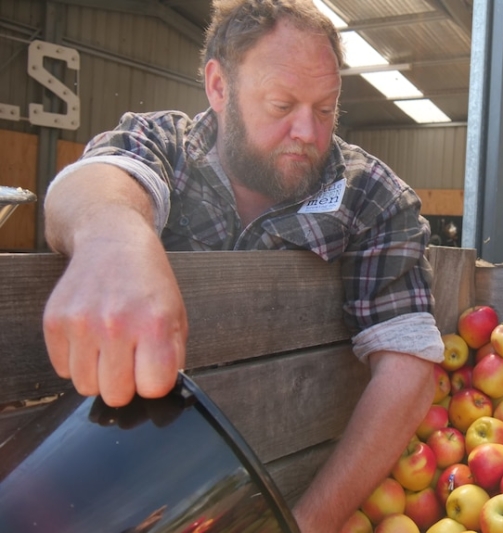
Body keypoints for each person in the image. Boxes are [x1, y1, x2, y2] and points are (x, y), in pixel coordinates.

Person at [40, 1, 444, 531]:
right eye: (282, 104)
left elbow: (408, 366)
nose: (308, 131)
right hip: (109, 474)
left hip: (290, 473)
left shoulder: (368, 195)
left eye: (326, 108)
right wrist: (113, 239)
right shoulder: (168, 146)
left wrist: (303, 523)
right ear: (218, 86)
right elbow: (95, 180)